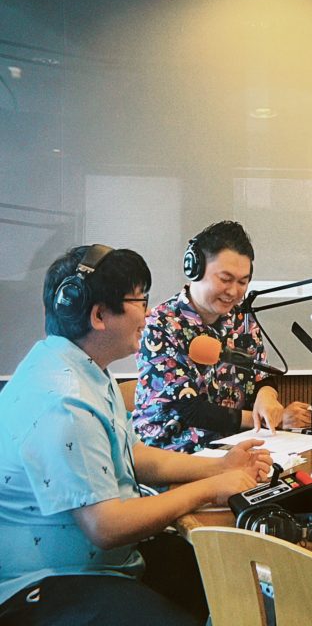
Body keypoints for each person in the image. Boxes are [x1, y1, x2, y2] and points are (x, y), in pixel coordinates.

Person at [0, 244, 273, 626]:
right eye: (140, 302)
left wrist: (220, 467)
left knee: (238, 582)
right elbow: (106, 526)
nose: (147, 314)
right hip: (49, 585)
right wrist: (209, 489)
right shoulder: (65, 400)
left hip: (107, 565)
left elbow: (134, 455)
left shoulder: (81, 368)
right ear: (98, 315)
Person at [133, 220, 311, 452]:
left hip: (237, 444)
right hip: (175, 451)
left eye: (242, 282)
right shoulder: (160, 325)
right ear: (195, 269)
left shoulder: (242, 318)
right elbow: (191, 410)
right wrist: (265, 419)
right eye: (225, 279)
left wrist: (267, 397)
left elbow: (261, 374)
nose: (234, 292)